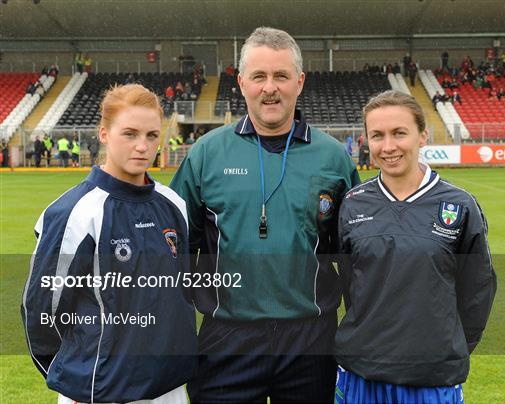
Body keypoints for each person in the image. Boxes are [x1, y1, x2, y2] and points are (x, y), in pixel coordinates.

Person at [170, 27, 359, 403]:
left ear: (299, 82)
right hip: (227, 337)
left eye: (281, 76)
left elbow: (353, 254)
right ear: (241, 83)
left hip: (311, 339)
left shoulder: (333, 158)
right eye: (259, 76)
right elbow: (174, 245)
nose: (269, 88)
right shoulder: (206, 154)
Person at [21, 84, 197, 404]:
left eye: (152, 135)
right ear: (104, 134)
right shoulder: (74, 213)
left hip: (169, 389)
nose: (142, 146)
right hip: (99, 393)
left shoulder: (174, 204)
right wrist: (72, 375)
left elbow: (180, 294)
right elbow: (42, 311)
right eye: (129, 134)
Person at [335, 90, 496, 404]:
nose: (389, 146)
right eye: (377, 135)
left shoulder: (459, 205)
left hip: (431, 378)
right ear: (366, 141)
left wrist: (446, 347)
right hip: (361, 373)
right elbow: (350, 285)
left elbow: (477, 291)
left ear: (422, 136)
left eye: (399, 133)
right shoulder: (352, 204)